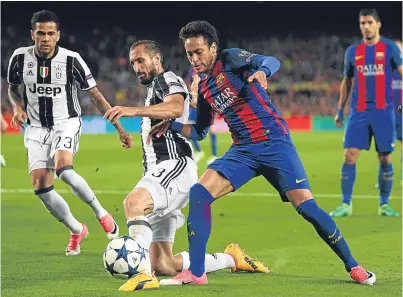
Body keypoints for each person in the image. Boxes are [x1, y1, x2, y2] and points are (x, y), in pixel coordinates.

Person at [148, 20, 376, 286]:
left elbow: (271, 60)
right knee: (200, 193)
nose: (194, 59)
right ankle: (197, 272)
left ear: (212, 47)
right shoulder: (205, 87)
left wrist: (262, 71)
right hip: (243, 151)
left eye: (199, 52)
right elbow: (199, 131)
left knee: (308, 208)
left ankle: (353, 266)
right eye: (189, 54)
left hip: (275, 143)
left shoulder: (230, 59)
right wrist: (172, 125)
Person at [104, 40, 269, 291]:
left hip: (174, 166)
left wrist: (131, 111)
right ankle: (230, 258)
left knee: (133, 203)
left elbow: (176, 106)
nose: (136, 67)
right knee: (166, 264)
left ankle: (142, 274)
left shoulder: (166, 79)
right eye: (133, 62)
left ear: (156, 60)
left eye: (141, 60)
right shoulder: (153, 89)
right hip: (161, 172)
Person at [7, 10, 133, 256]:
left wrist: (118, 128)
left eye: (50, 33)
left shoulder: (71, 60)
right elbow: (13, 89)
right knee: (41, 188)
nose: (45, 38)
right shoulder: (20, 58)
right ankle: (77, 229)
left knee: (64, 169)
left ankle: (101, 213)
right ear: (33, 34)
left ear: (58, 35)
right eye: (41, 33)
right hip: (35, 128)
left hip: (66, 122)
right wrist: (17, 106)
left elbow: (94, 95)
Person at [330, 9, 402, 218]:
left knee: (385, 158)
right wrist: (340, 110)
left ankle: (384, 204)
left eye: (369, 22)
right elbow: (347, 81)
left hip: (383, 111)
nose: (366, 26)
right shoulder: (353, 51)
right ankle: (345, 204)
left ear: (378, 24)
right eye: (362, 23)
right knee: (349, 155)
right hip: (359, 112)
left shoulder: (389, 48)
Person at [187, 68, 218, 165]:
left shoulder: (205, 69)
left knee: (211, 127)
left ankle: (214, 155)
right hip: (197, 101)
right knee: (189, 125)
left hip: (207, 100)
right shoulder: (192, 70)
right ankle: (199, 151)